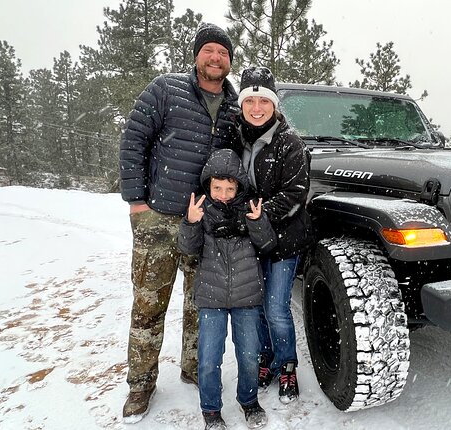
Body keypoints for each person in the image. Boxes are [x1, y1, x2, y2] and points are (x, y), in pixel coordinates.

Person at [118, 22, 240, 422]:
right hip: (159, 216)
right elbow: (134, 139)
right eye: (209, 50)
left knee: (198, 303)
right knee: (149, 305)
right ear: (196, 55)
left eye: (222, 52)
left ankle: (193, 366)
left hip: (205, 221)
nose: (216, 57)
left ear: (229, 61)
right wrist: (137, 201)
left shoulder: (236, 107)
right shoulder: (166, 89)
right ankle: (140, 384)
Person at [178, 148, 276, 430]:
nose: (222, 194)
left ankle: (249, 401)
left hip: (246, 298)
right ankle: (210, 411)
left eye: (229, 188)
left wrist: (258, 223)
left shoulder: (250, 211)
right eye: (217, 187)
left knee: (248, 356)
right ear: (208, 186)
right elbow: (187, 249)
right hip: (211, 297)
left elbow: (268, 245)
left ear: (238, 188)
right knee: (209, 359)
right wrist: (191, 223)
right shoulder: (201, 211)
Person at [236, 66, 314, 404]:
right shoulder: (236, 137)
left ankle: (288, 366)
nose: (256, 108)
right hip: (250, 239)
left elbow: (295, 192)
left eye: (263, 101)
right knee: (257, 306)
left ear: (274, 104)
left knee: (277, 306)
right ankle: (266, 357)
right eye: (249, 101)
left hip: (285, 238)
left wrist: (260, 215)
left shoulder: (289, 142)